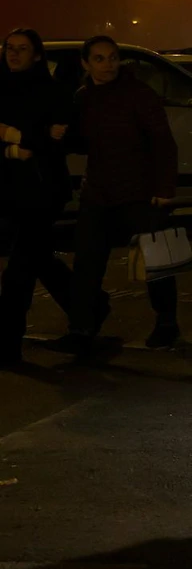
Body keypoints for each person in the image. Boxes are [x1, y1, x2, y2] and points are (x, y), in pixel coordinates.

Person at [47, 36, 181, 356]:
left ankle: (166, 323)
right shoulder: (84, 98)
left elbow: (163, 142)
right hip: (99, 192)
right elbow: (84, 142)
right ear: (85, 63)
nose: (108, 65)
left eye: (112, 58)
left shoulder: (138, 95)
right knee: (87, 264)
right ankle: (82, 327)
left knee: (157, 260)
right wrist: (61, 136)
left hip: (139, 190)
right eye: (99, 59)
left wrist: (164, 189)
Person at [0, 29, 83, 366]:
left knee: (19, 270)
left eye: (22, 49)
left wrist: (11, 135)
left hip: (42, 190)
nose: (14, 54)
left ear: (36, 55)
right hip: (7, 190)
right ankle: (91, 306)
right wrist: (18, 147)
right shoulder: (1, 87)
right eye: (10, 48)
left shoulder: (51, 91)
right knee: (39, 260)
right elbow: (41, 136)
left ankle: (7, 346)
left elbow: (57, 138)